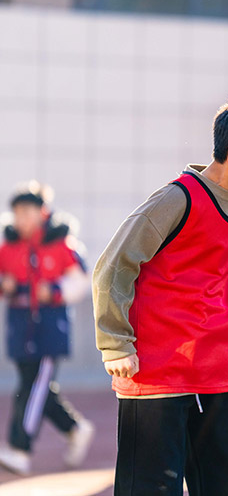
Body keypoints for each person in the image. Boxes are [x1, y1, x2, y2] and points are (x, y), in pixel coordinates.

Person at [92, 91, 228, 496]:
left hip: (219, 372)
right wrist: (115, 344)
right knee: (149, 490)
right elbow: (113, 266)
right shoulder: (177, 198)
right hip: (158, 376)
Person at [0, 182, 94, 475]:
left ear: (42, 212)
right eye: (17, 213)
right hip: (19, 330)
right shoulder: (8, 247)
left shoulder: (62, 243)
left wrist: (54, 291)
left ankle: (20, 449)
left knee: (32, 388)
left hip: (50, 331)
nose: (21, 219)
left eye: (27, 212)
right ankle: (75, 428)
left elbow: (80, 281)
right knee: (34, 388)